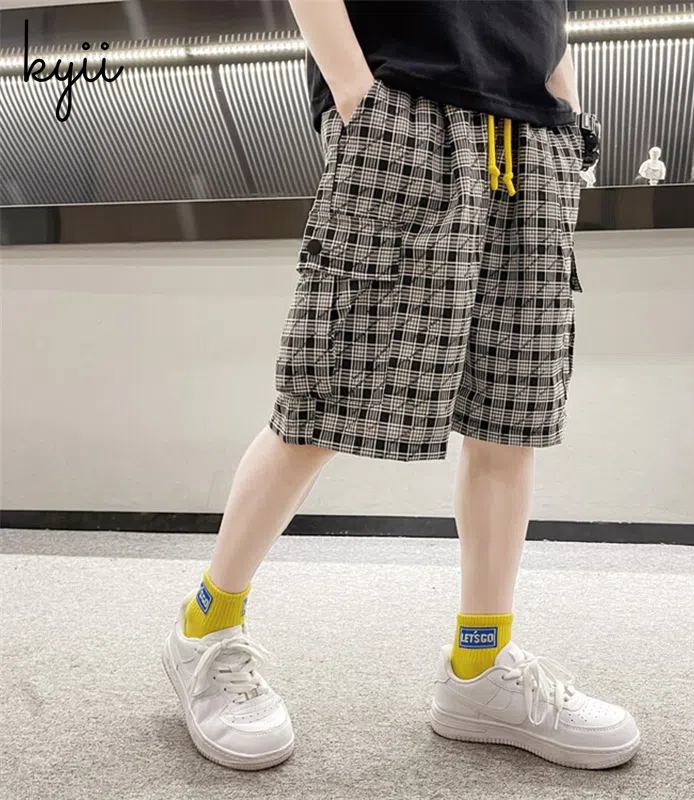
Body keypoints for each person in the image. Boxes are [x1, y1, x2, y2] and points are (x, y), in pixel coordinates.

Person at [162, 0, 639, 773]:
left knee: (510, 417)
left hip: (535, 134)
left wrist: (567, 115)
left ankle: (480, 665)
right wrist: (356, 95)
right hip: (403, 109)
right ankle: (206, 626)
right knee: (321, 402)